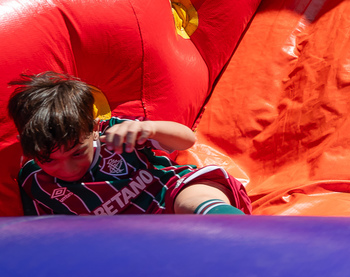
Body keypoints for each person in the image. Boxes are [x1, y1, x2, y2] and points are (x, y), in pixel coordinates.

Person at [8, 72, 251, 216]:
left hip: (168, 197)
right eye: (48, 160)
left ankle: (239, 233)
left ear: (92, 128)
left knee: (191, 197)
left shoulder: (118, 134)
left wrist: (150, 128)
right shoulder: (36, 181)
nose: (67, 169)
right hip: (132, 240)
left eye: (77, 153)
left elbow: (187, 139)